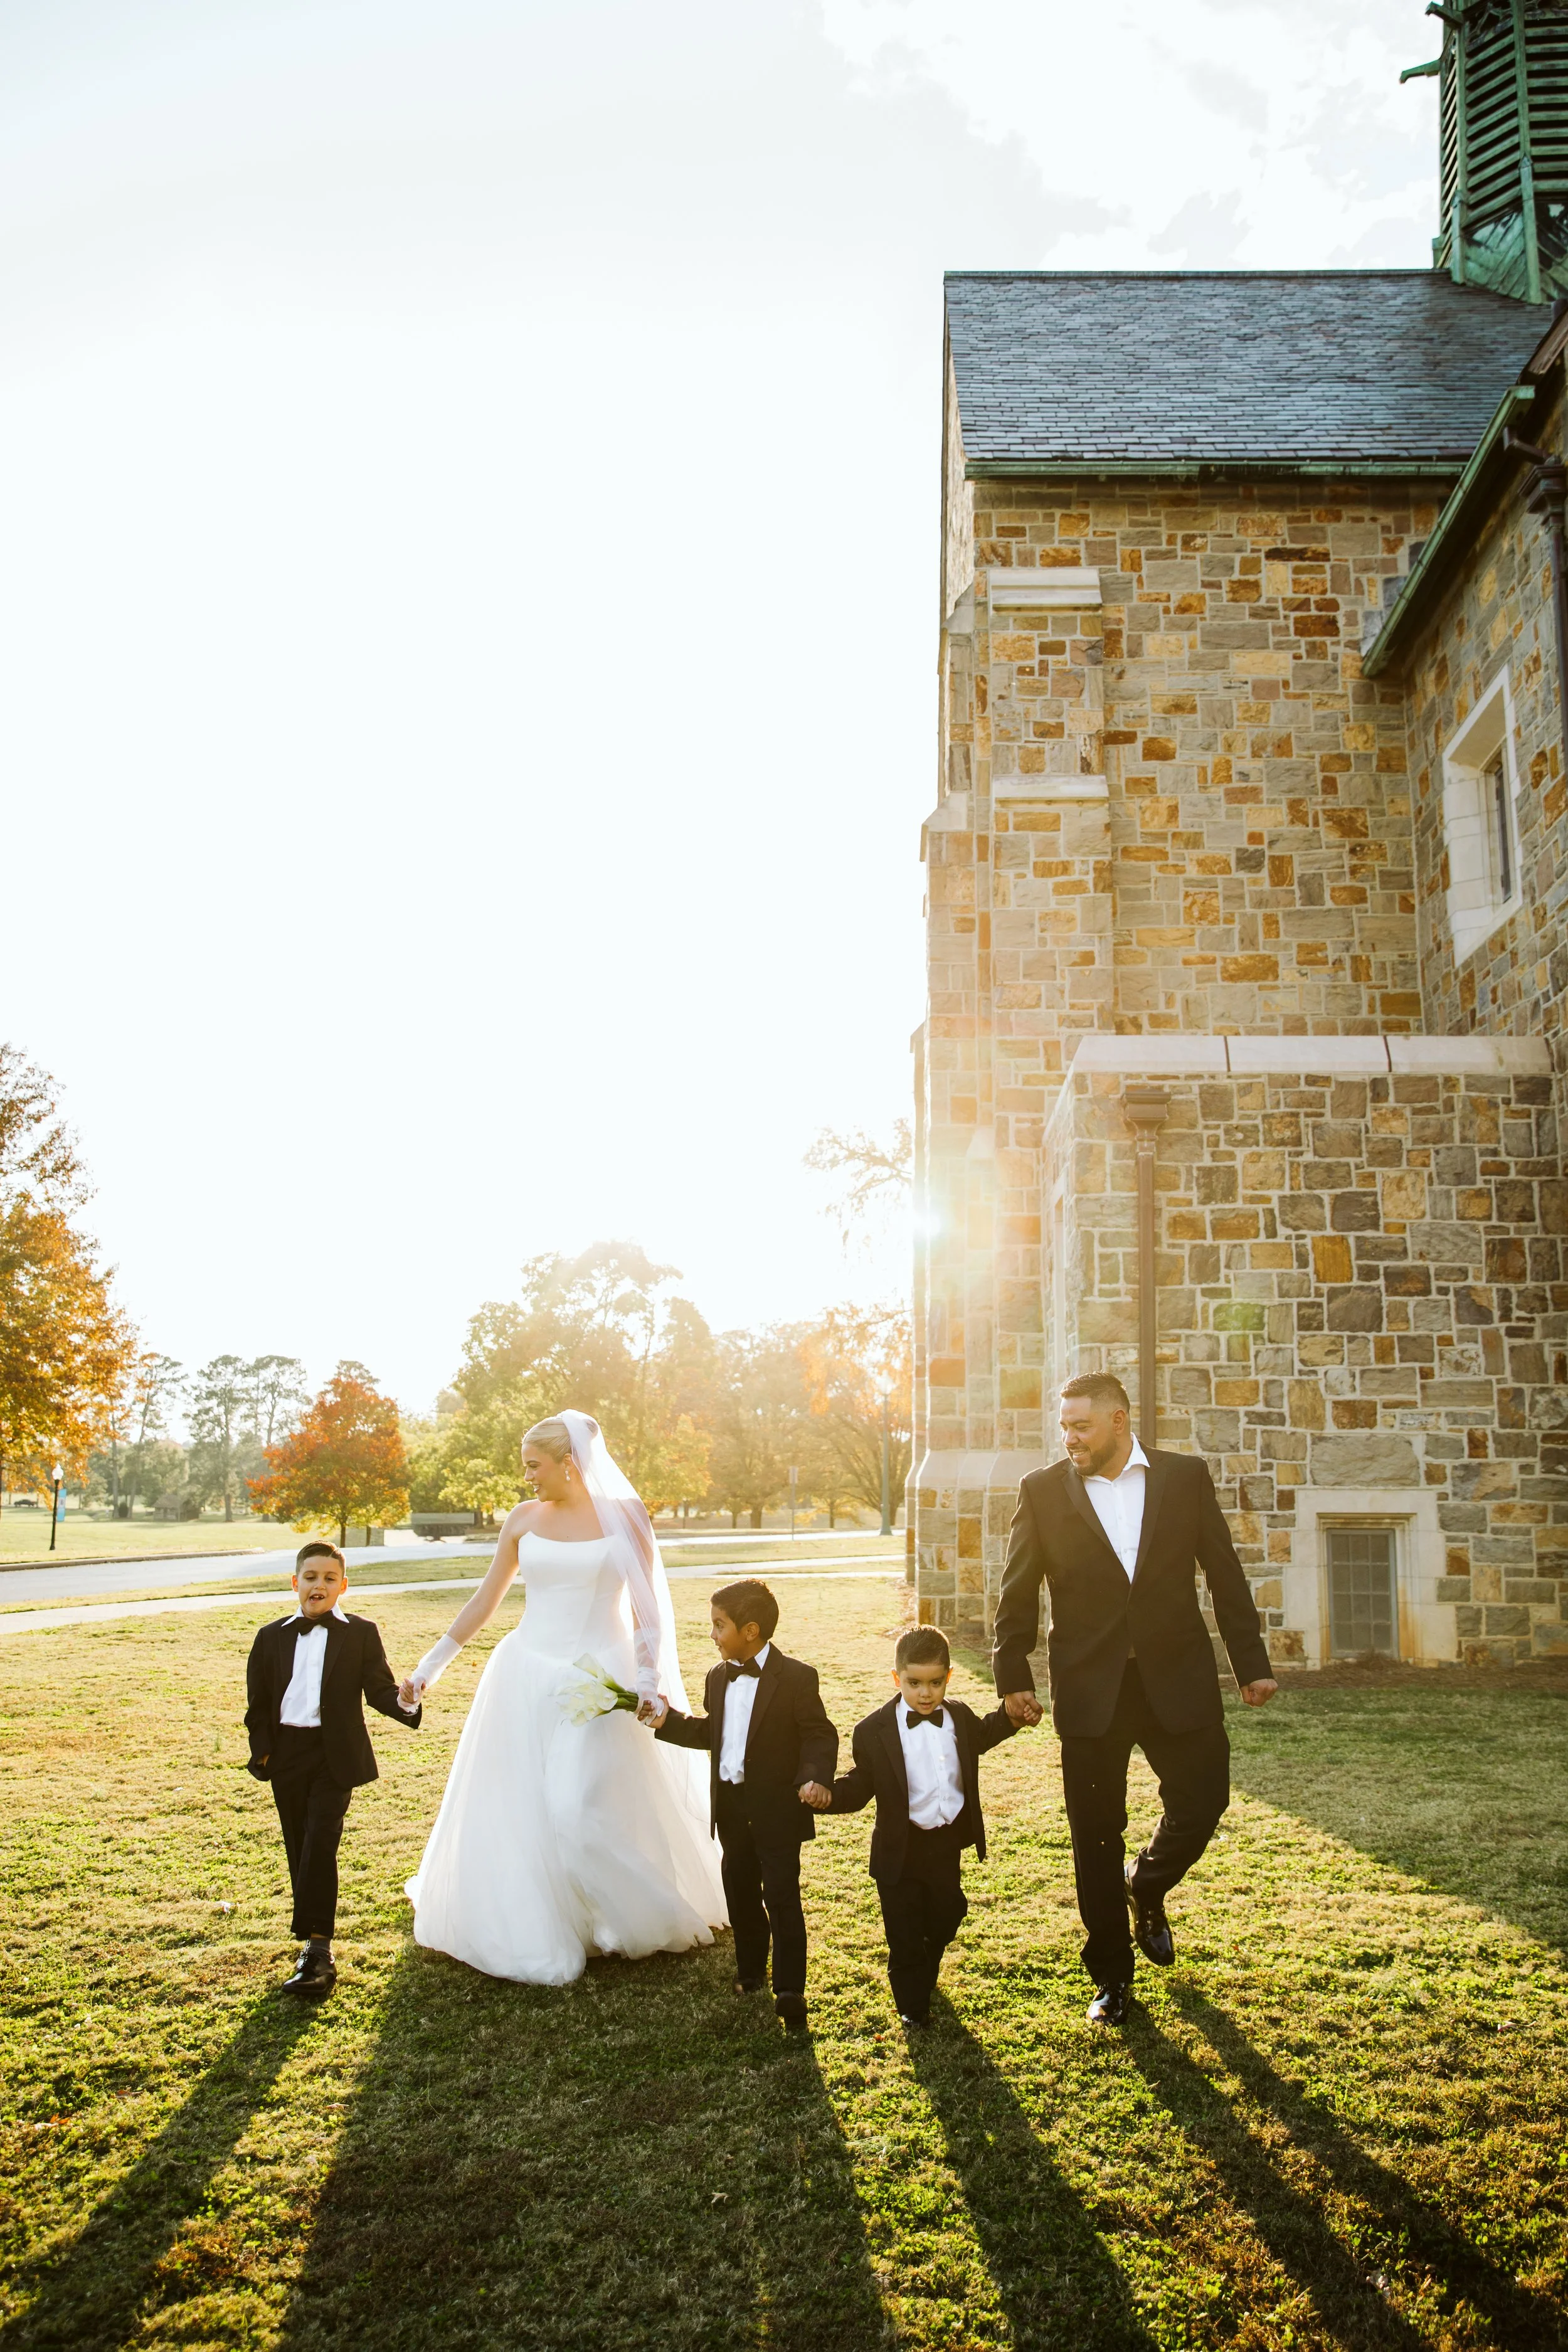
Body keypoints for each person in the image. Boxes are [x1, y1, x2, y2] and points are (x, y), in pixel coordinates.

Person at [992, 1372, 1278, 2028]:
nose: (1069, 1438)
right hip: (1090, 1688)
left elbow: (1223, 1571)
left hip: (1176, 1677)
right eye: (1064, 1426)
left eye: (1081, 1426)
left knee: (1204, 1799)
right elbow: (1017, 1592)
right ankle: (1112, 1981)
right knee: (1093, 1837)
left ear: (1119, 1422)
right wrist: (1014, 1675)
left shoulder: (1183, 1478)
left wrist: (1250, 1663)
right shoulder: (1040, 1492)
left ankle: (1144, 1883)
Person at [400, 1411, 725, 1984]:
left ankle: (627, 1916)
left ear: (569, 1464)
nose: (527, 1477)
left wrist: (647, 1681)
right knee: (526, 1803)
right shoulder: (524, 1520)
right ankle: (554, 1919)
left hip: (600, 1679)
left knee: (580, 1807)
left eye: (534, 1465)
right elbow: (485, 1600)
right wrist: (430, 1668)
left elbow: (647, 1610)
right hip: (525, 1672)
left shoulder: (627, 1517)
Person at [645, 1579, 836, 2029]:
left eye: (719, 1625)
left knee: (783, 1897)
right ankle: (750, 1971)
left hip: (777, 1810)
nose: (712, 1634)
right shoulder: (717, 1676)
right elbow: (714, 1734)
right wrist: (667, 1721)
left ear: (750, 1630)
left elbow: (819, 1733)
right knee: (741, 1893)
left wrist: (814, 1776)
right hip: (731, 1807)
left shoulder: (796, 1678)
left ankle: (790, 1988)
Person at [245, 1539, 421, 1998]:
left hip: (335, 1755)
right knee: (300, 1844)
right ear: (295, 1583)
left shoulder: (360, 1633)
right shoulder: (270, 1637)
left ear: (343, 1585)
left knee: (321, 1840)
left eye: (328, 1578)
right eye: (310, 1577)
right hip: (287, 1755)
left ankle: (318, 1952)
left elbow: (378, 1690)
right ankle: (311, 1943)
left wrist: (405, 1703)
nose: (318, 1585)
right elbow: (259, 1703)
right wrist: (264, 1751)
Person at [827, 1626, 1019, 2029]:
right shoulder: (873, 1730)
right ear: (897, 1679)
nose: (926, 1694)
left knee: (949, 1911)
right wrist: (825, 1796)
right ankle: (913, 2007)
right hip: (900, 1847)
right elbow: (860, 1786)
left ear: (949, 1677)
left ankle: (929, 1953)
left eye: (935, 1683)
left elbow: (984, 1735)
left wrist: (1013, 1718)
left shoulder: (959, 1718)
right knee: (904, 1932)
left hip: (945, 1842)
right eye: (914, 1684)